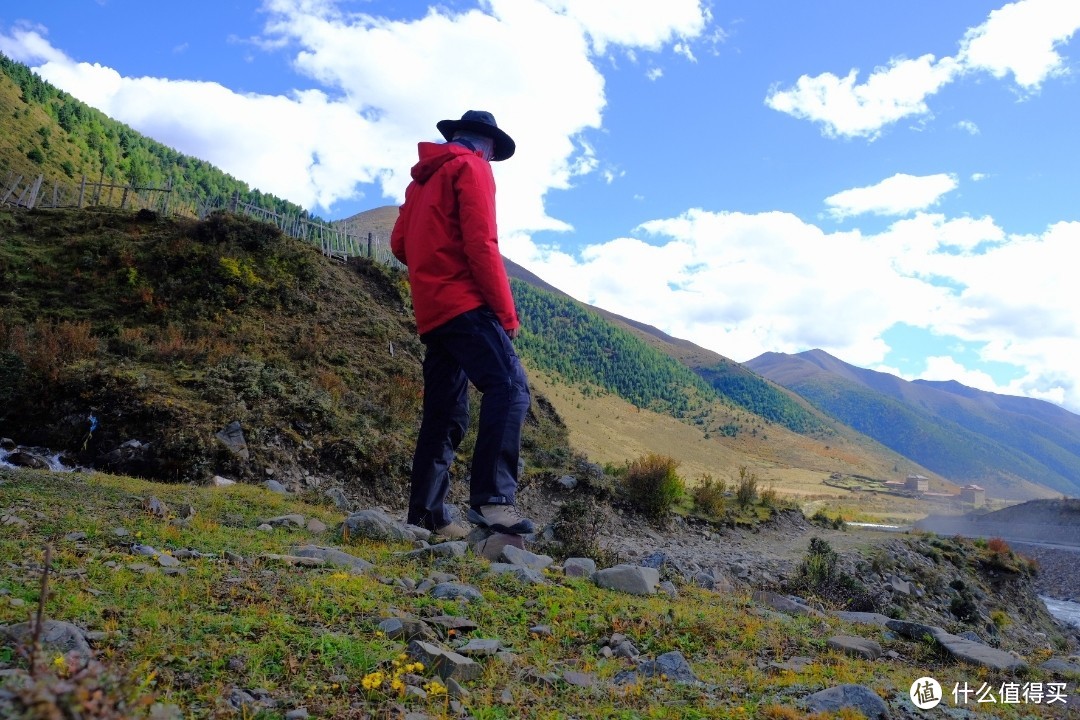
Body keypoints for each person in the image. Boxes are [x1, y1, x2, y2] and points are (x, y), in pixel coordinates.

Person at [391, 110, 535, 539]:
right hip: (465, 304)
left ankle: (427, 516)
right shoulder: (472, 168)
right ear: (487, 145)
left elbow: (400, 244)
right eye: (493, 154)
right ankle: (494, 502)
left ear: (456, 135)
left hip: (432, 314)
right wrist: (505, 314)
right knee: (510, 388)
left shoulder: (419, 182)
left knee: (445, 412)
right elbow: (482, 243)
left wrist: (432, 267)